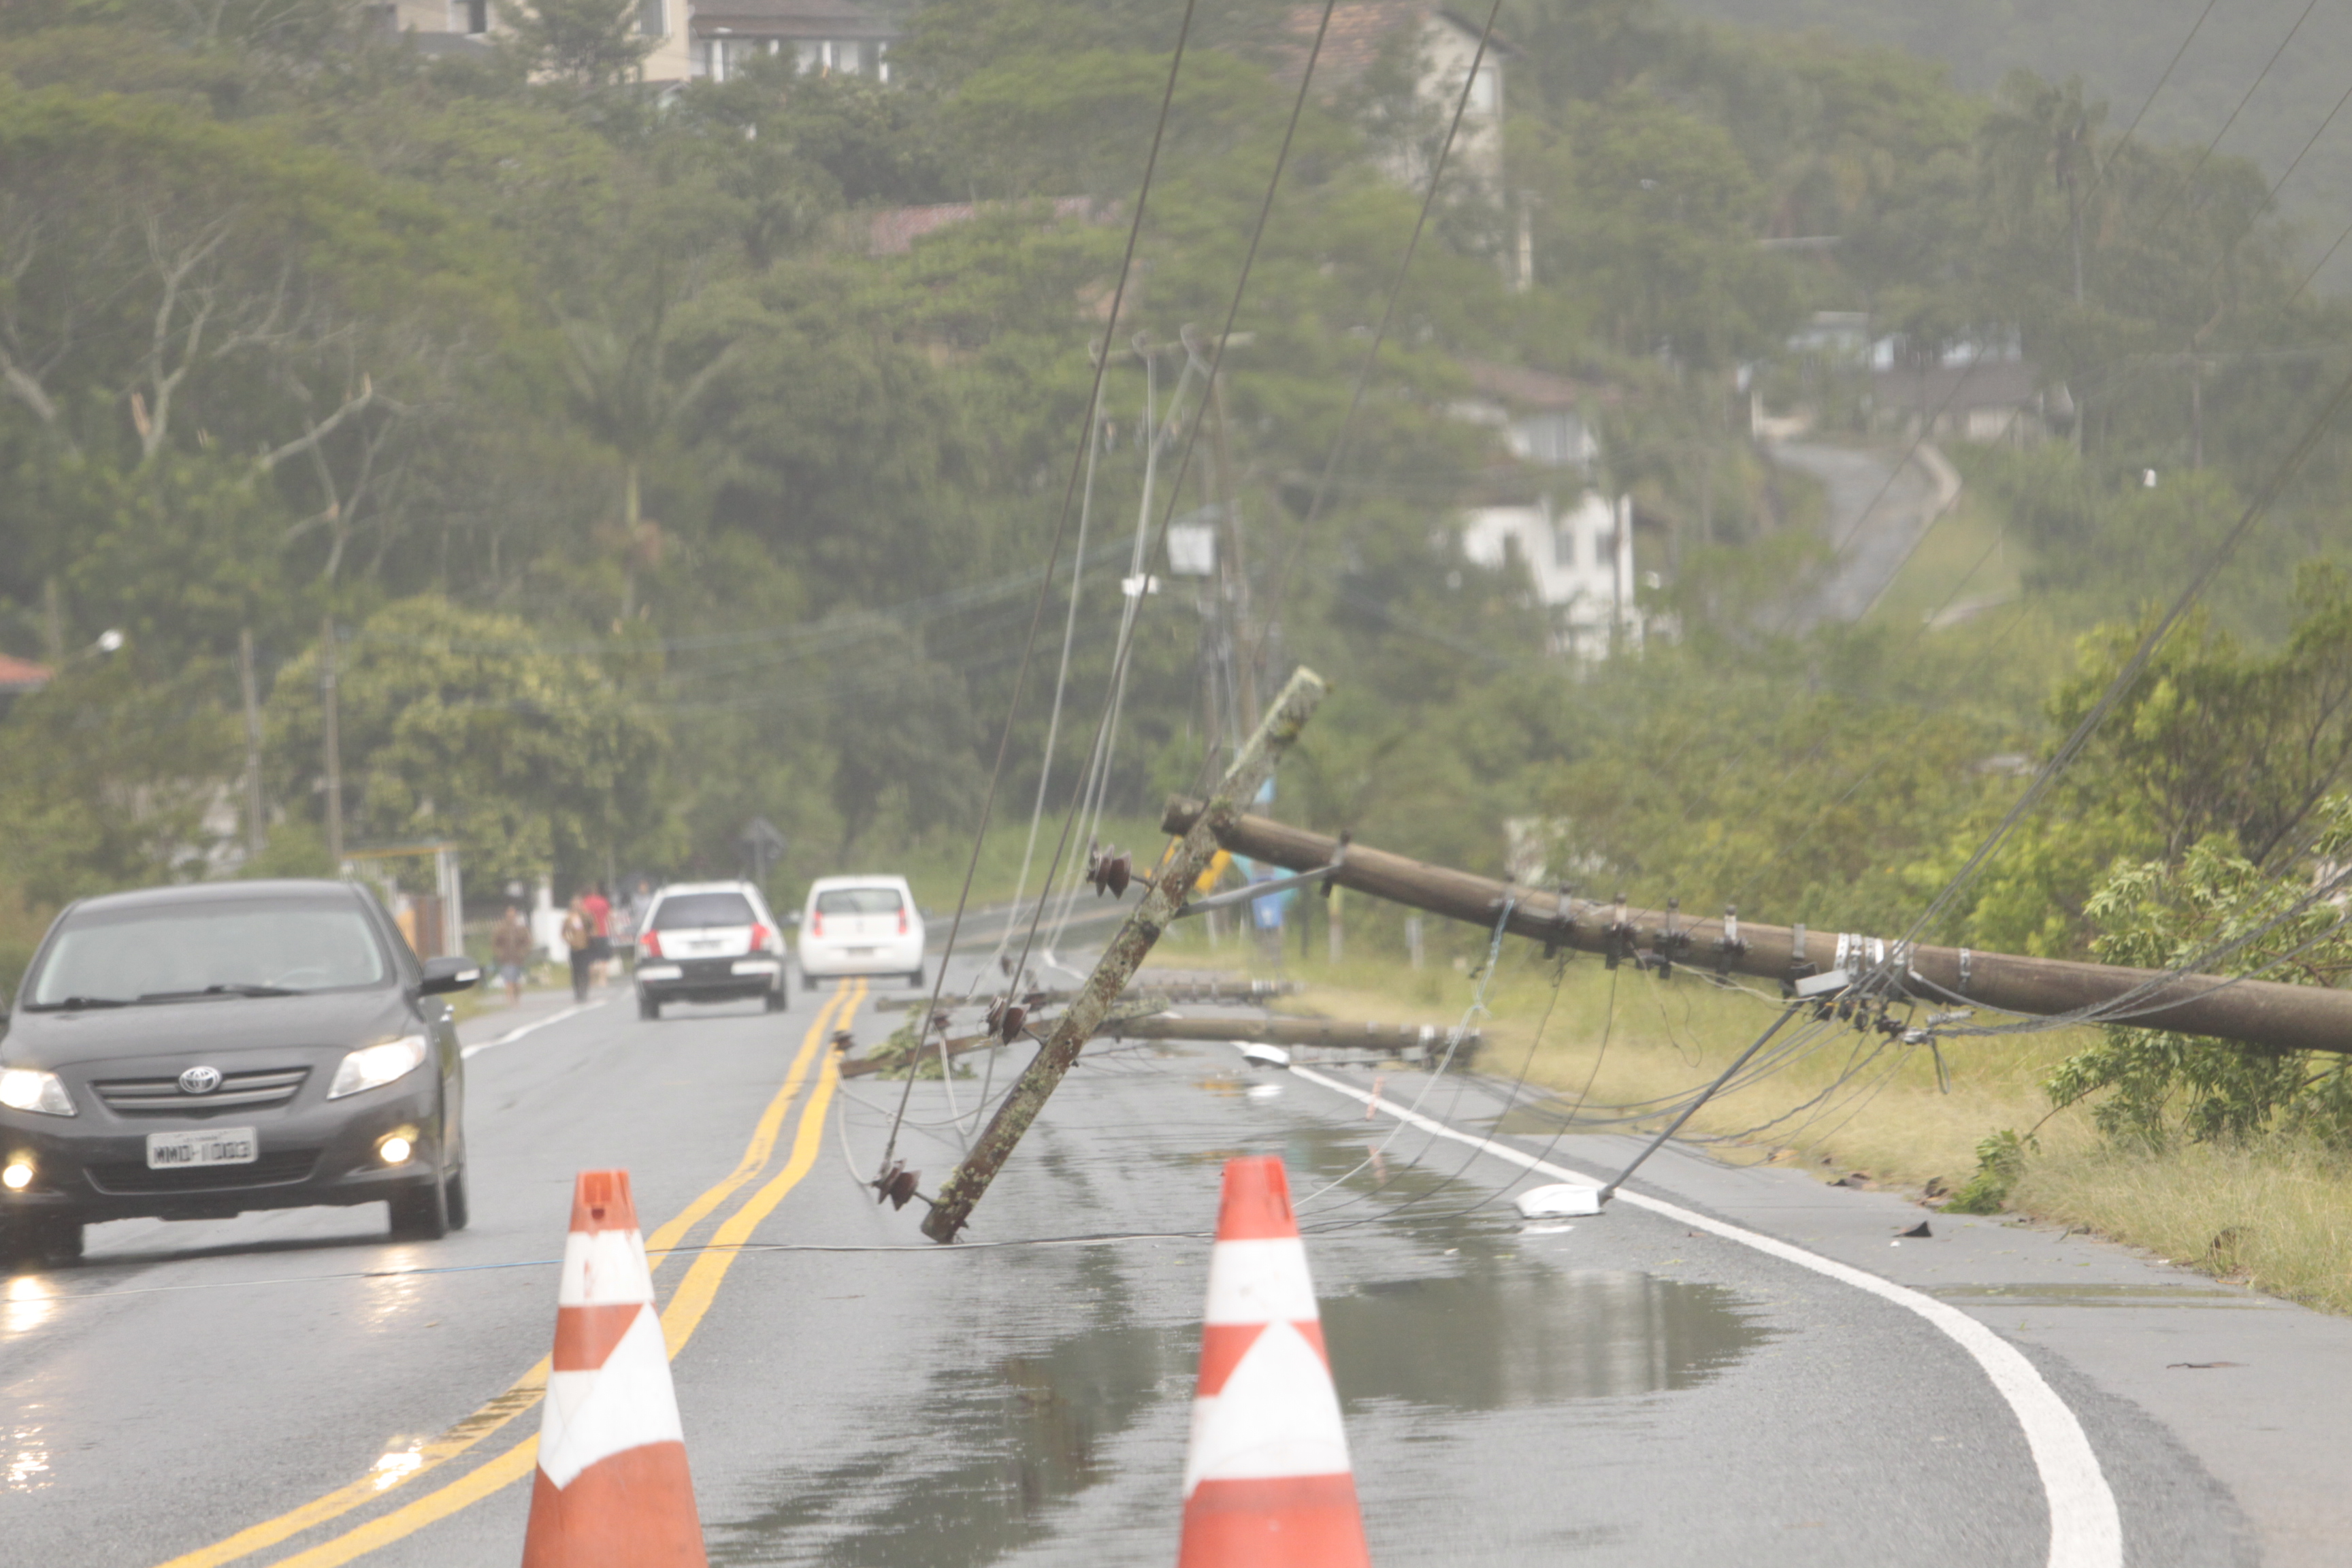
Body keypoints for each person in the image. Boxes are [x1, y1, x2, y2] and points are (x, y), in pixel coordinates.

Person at [491, 904, 532, 1005]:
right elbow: (495, 943)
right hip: (506, 959)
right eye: (509, 916)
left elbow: (528, 943)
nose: (511, 918)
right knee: (508, 981)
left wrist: (523, 952)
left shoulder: (521, 929)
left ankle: (516, 997)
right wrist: (499, 953)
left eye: (513, 916)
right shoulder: (501, 929)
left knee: (516, 982)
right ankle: (510, 1000)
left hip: (518, 959)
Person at [561, 895, 593, 1002]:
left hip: (585, 946)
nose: (576, 907)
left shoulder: (586, 916)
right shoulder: (569, 918)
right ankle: (577, 991)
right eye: (574, 905)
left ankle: (584, 990)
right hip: (574, 947)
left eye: (578, 905)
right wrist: (569, 941)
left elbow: (592, 927)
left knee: (584, 969)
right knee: (575, 970)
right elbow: (564, 932)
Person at [582, 883, 613, 987]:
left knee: (590, 958)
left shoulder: (585, 903)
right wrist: (612, 930)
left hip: (589, 934)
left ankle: (591, 981)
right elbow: (610, 917)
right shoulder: (603, 902)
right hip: (603, 933)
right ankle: (602, 980)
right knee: (603, 958)